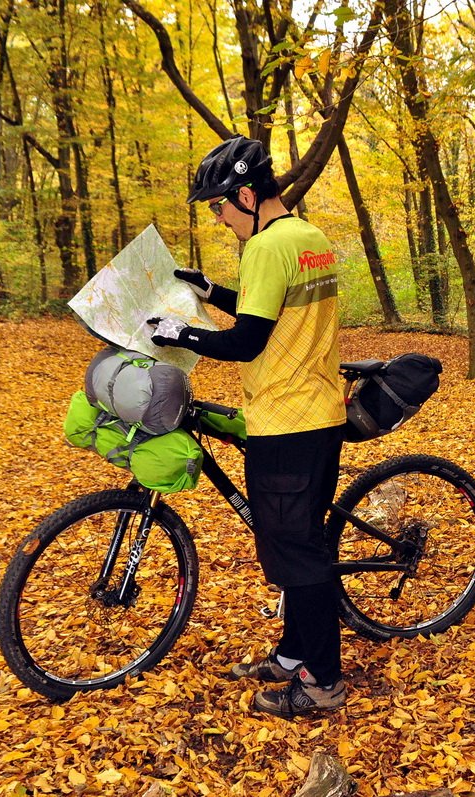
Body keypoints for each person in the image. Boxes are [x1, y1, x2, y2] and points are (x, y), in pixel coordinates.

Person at [146, 135, 347, 718]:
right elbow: (270, 307)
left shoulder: (264, 246)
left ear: (245, 194)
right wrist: (212, 292)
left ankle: (322, 683)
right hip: (318, 413)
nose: (218, 216)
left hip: (285, 420)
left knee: (297, 556)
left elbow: (248, 339)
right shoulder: (308, 239)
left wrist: (179, 332)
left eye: (218, 205)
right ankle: (291, 656)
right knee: (298, 539)